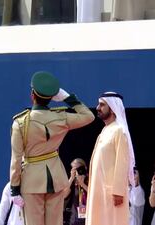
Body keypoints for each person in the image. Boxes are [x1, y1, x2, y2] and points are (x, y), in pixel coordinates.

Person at [10, 71, 95, 225]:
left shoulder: (20, 123)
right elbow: (89, 116)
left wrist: (15, 188)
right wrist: (68, 98)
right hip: (55, 178)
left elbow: (16, 159)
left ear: (32, 95)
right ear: (51, 98)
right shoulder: (61, 117)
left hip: (31, 180)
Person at [86, 92, 135, 225]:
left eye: (102, 105)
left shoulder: (119, 131)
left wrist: (118, 191)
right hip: (99, 192)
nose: (97, 108)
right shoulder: (105, 131)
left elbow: (122, 162)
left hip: (111, 194)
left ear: (113, 108)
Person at [63, 158, 89, 225]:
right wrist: (71, 178)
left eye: (79, 168)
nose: (78, 171)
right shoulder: (72, 183)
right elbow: (64, 195)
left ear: (85, 168)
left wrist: (82, 184)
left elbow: (94, 195)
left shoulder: (90, 179)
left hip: (89, 219)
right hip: (74, 220)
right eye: (75, 169)